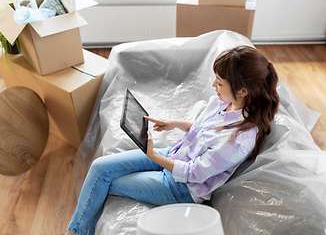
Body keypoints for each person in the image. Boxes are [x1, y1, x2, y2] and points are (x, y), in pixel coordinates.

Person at [65, 46, 280, 235]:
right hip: (175, 154)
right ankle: (78, 231)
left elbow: (195, 174)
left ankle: (76, 232)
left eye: (220, 82)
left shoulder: (240, 139)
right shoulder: (223, 101)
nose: (214, 84)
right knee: (99, 167)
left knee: (107, 181)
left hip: (180, 189)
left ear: (243, 90)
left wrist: (153, 156)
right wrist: (176, 123)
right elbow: (202, 131)